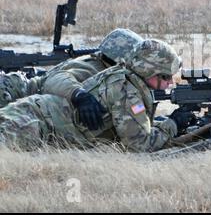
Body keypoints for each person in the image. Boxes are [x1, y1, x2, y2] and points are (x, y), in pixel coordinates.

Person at [0, 38, 195, 152]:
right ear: (148, 71)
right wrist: (172, 125)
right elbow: (140, 145)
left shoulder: (127, 81)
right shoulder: (127, 90)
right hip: (31, 121)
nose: (170, 82)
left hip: (35, 117)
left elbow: (130, 128)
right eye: (165, 76)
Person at [0, 28, 144, 130]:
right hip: (14, 91)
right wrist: (80, 95)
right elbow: (56, 78)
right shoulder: (94, 68)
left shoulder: (99, 64)